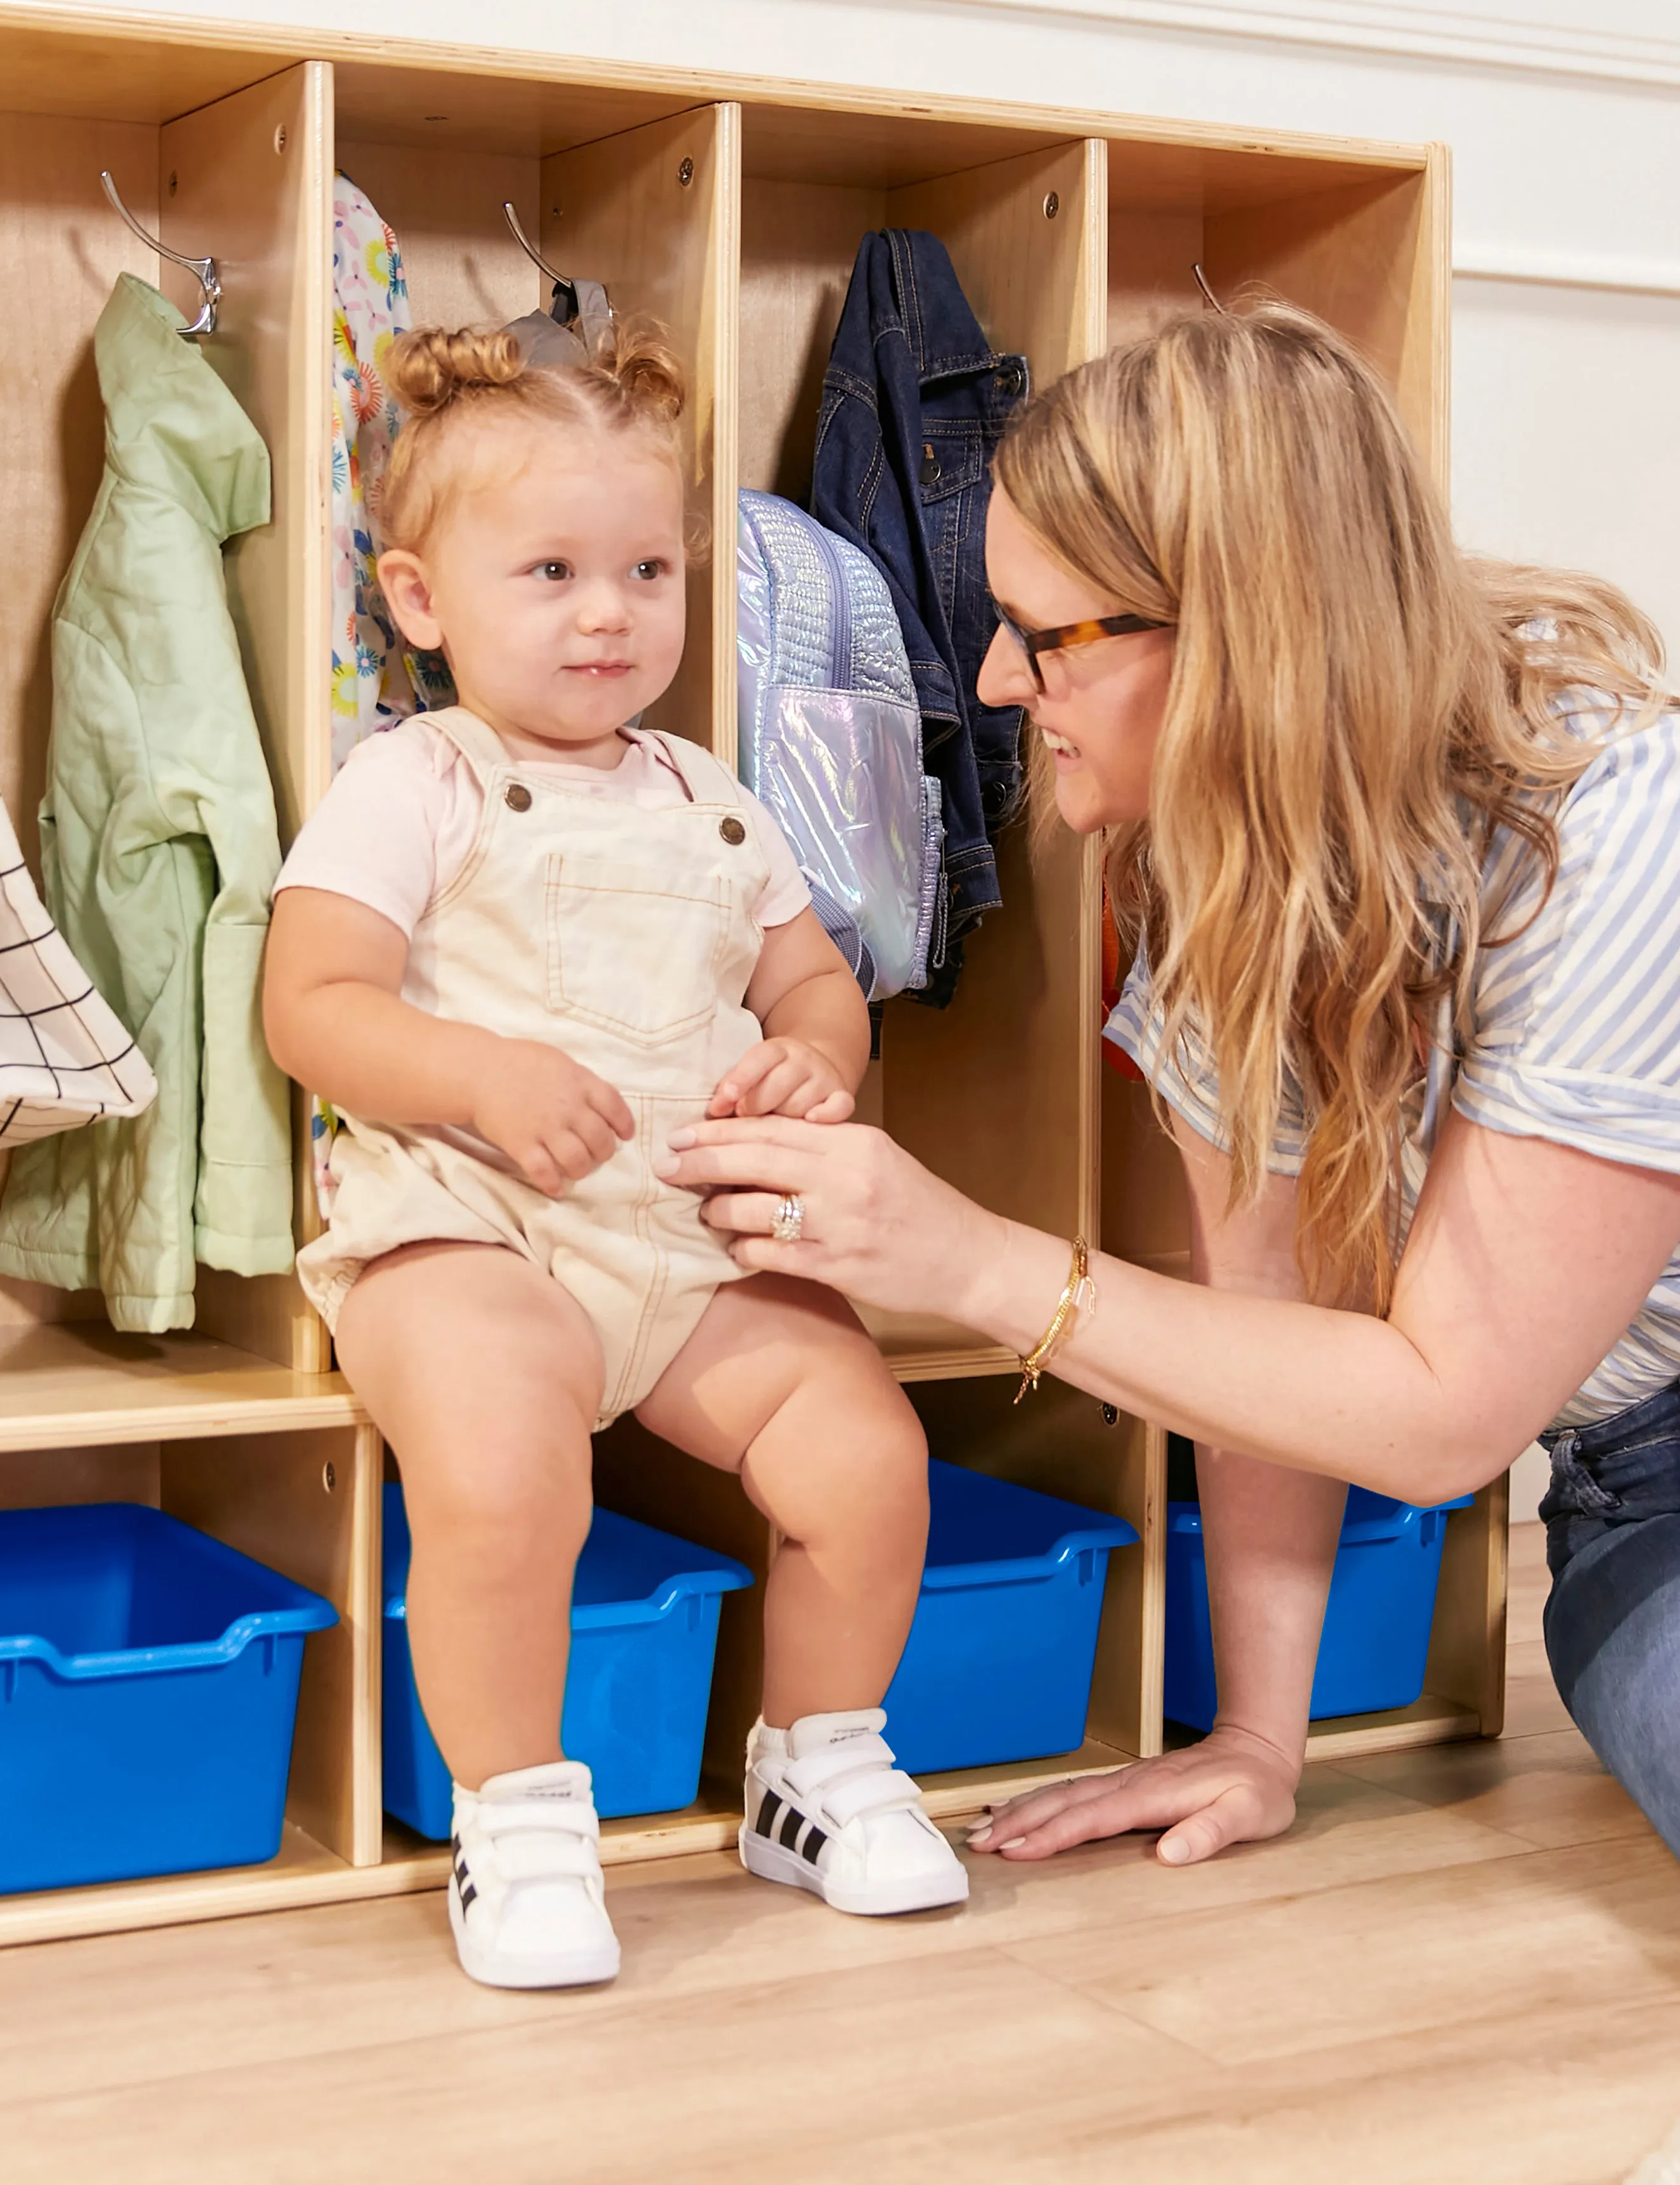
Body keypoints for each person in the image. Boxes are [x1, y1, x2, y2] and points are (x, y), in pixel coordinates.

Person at [662, 300, 1680, 1871]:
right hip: (1641, 1488)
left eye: (1042, 634)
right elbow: (1274, 1325)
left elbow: (1440, 1421)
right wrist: (1256, 1740)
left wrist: (969, 1260)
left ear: (1234, 632)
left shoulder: (1615, 832)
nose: (996, 683)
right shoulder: (1217, 861)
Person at [263, 322, 967, 1992]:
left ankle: (820, 1761)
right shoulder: (412, 778)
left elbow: (808, 973)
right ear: (425, 601)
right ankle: (511, 1817)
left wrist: (822, 1050)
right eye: (556, 570)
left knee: (866, 1450)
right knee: (508, 1471)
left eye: (648, 568)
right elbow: (314, 1004)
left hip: (685, 1234)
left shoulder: (710, 794)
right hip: (469, 1223)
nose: (610, 611)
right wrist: (480, 1074)